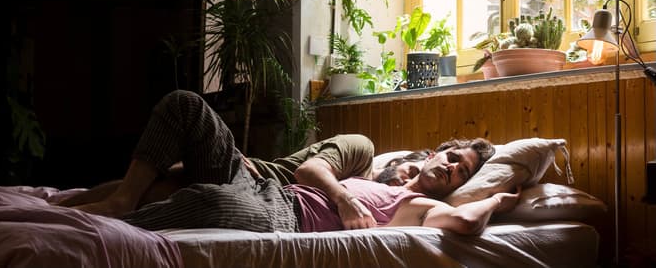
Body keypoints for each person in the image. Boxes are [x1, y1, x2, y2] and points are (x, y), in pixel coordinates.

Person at [74, 90, 520, 234]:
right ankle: (120, 202)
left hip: (284, 215)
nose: (451, 169)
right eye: (452, 158)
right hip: (268, 188)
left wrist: (497, 199)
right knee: (186, 104)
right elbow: (312, 171)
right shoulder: (368, 169)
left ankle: (111, 223)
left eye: (462, 173)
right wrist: (345, 197)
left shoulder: (421, 208)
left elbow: (463, 223)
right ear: (434, 152)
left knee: (209, 201)